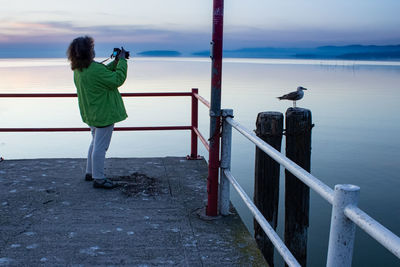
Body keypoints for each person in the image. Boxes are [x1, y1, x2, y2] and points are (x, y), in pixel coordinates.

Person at [67, 36, 128, 189]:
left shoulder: (79, 70)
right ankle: (99, 178)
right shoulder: (95, 70)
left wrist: (115, 62)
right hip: (103, 114)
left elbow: (102, 74)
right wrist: (123, 62)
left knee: (95, 143)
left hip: (91, 113)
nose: (94, 50)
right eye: (92, 48)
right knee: (101, 147)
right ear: (88, 52)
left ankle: (90, 172)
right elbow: (116, 79)